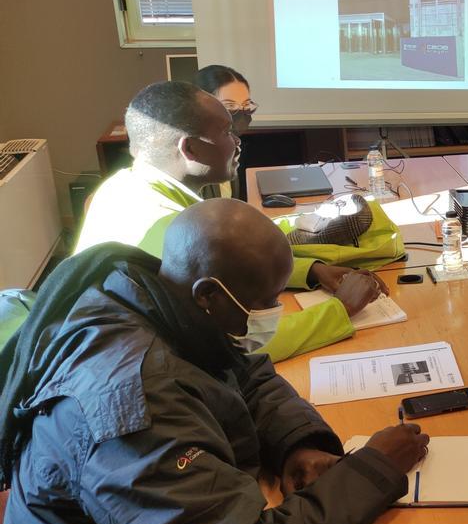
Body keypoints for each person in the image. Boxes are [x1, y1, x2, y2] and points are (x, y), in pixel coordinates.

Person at [0, 199, 430, 524]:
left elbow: (246, 372)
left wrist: (297, 444)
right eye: (264, 301)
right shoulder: (132, 404)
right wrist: (373, 471)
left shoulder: (158, 300)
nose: (271, 314)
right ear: (208, 294)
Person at [75, 81, 384, 362]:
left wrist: (312, 270)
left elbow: (225, 265)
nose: (238, 142)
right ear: (190, 148)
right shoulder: (163, 229)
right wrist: (341, 309)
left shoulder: (127, 184)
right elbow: (235, 346)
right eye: (225, 132)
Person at [194, 64, 257, 199]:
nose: (241, 113)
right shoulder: (195, 159)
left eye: (246, 104)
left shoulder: (232, 148)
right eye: (229, 105)